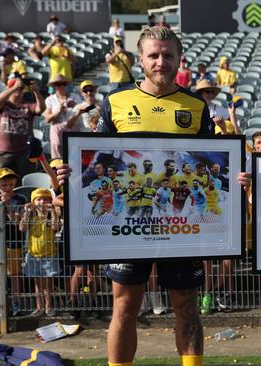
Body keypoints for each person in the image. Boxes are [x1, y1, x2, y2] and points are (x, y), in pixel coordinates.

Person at [56, 26, 218, 366]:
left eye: (168, 55)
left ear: (179, 59)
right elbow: (97, 158)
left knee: (187, 304)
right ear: (141, 59)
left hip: (179, 225)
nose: (161, 62)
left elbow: (211, 162)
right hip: (130, 223)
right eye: (154, 55)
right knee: (125, 306)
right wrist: (73, 172)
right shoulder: (116, 101)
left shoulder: (195, 106)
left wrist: (234, 174)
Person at [19, 188, 61, 317]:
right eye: (39, 199)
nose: (43, 202)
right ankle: (39, 307)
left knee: (48, 284)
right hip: (33, 255)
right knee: (37, 284)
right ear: (33, 202)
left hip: (49, 254)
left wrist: (52, 212)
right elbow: (22, 228)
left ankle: (49, 307)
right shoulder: (32, 218)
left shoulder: (51, 216)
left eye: (46, 199)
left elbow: (56, 227)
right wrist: (26, 212)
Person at [0, 77, 44, 176]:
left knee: (25, 178)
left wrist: (36, 91)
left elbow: (41, 108)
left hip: (25, 152)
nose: (18, 92)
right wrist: (14, 87)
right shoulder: (3, 105)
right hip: (3, 152)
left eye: (21, 90)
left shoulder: (28, 106)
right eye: (15, 90)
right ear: (8, 90)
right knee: (1, 181)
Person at [0, 168, 27, 315]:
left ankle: (16, 303)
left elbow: (17, 222)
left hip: (14, 242)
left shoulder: (20, 199)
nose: (8, 187)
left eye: (10, 184)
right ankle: (0, 304)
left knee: (15, 275)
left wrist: (8, 205)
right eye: (4, 185)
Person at [44, 75, 81, 159]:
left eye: (63, 84)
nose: (61, 86)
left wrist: (75, 105)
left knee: (74, 158)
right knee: (58, 160)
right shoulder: (50, 99)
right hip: (57, 133)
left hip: (73, 131)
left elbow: (85, 110)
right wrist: (57, 112)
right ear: (54, 86)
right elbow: (47, 119)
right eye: (58, 84)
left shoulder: (75, 97)